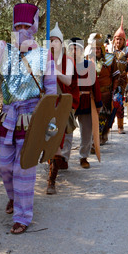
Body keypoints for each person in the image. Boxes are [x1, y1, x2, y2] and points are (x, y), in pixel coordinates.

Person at [0, 3, 57, 234]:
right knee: (2, 165)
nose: (22, 29)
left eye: (26, 25)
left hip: (32, 119)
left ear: (34, 27)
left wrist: (49, 122)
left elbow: (52, 93)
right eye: (18, 25)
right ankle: (14, 197)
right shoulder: (5, 51)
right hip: (10, 117)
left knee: (24, 170)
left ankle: (22, 217)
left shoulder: (45, 56)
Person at [46, 23, 80, 194]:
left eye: (55, 41)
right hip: (47, 105)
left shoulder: (68, 61)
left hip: (63, 105)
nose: (53, 44)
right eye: (50, 41)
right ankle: (53, 165)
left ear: (61, 43)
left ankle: (52, 180)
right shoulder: (44, 59)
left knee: (58, 139)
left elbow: (67, 81)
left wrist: (54, 71)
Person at [69, 37, 102, 168]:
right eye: (71, 49)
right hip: (70, 103)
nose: (74, 51)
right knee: (67, 131)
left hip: (86, 102)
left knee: (86, 132)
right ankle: (63, 158)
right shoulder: (66, 65)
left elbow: (96, 86)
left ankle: (83, 157)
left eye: (76, 49)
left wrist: (98, 103)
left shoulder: (89, 65)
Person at [85, 33, 119, 145]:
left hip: (106, 94)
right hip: (91, 94)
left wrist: (114, 90)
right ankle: (94, 139)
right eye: (94, 48)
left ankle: (102, 136)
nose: (97, 50)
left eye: (98, 48)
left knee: (104, 116)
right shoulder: (87, 59)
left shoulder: (110, 59)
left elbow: (116, 76)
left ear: (102, 48)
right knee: (91, 118)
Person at [112, 17, 128, 134]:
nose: (118, 42)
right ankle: (107, 125)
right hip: (109, 81)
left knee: (119, 103)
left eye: (120, 39)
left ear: (124, 40)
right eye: (116, 39)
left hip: (121, 81)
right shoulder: (108, 50)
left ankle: (120, 126)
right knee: (107, 104)